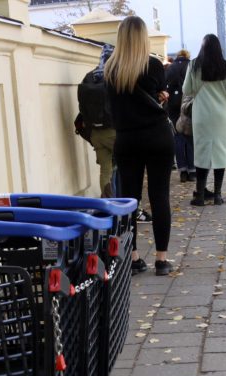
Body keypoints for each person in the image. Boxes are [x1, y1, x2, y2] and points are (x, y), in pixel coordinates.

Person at [104, 16, 175, 276]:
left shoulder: (111, 70)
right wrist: (161, 96)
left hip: (127, 139)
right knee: (160, 196)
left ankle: (133, 258)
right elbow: (159, 95)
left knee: (130, 200)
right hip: (157, 137)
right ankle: (161, 259)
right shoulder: (155, 65)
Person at [182, 34, 226, 206]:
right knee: (220, 152)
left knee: (202, 152)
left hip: (201, 115)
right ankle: (217, 195)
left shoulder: (193, 65)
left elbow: (187, 89)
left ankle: (199, 195)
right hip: (221, 115)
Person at [74, 44, 116, 197]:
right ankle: (126, 205)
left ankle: (109, 203)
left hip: (95, 133)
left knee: (105, 170)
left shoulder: (89, 76)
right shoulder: (115, 76)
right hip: (114, 131)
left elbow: (82, 104)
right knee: (124, 168)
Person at [165, 49, 194, 182]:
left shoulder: (171, 67)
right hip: (188, 104)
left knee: (178, 135)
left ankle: (182, 170)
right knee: (189, 135)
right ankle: (192, 170)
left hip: (173, 104)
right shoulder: (191, 65)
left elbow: (165, 85)